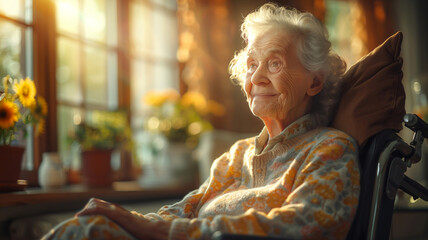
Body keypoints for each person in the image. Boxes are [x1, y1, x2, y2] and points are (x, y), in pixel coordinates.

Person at [43, 3, 359, 240]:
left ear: (314, 82)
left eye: (274, 63)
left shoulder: (330, 148)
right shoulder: (236, 155)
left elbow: (304, 226)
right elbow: (185, 209)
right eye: (251, 64)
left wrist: (157, 229)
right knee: (91, 226)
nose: (257, 77)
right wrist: (127, 218)